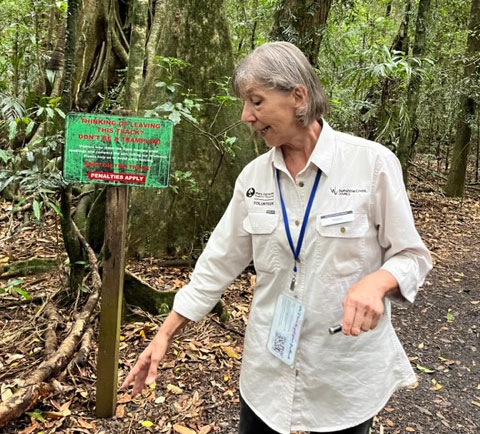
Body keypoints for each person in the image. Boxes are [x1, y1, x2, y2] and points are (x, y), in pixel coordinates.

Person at [121, 42, 432, 434]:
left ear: (297, 96)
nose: (246, 116)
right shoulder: (253, 179)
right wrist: (164, 334)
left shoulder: (371, 164)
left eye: (256, 101)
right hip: (267, 374)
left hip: (343, 377)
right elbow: (217, 264)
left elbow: (412, 256)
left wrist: (378, 282)